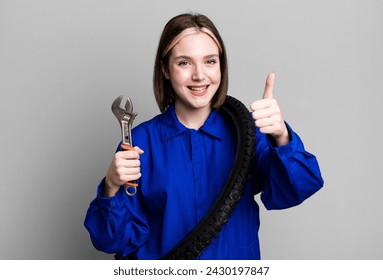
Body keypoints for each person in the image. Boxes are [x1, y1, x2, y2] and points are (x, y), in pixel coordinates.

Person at [84, 13, 324, 260]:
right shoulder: (140, 142)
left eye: (210, 61)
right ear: (165, 69)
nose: (199, 75)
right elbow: (113, 240)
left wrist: (281, 136)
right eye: (184, 63)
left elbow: (298, 188)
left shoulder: (247, 134)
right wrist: (111, 187)